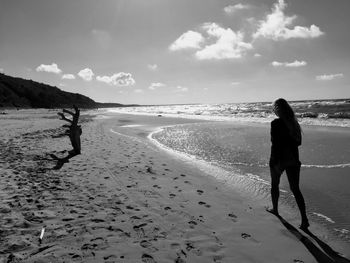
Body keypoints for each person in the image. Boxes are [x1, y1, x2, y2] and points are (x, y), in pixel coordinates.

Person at [268, 98, 309, 230]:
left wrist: (274, 160)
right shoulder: (294, 123)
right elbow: (298, 143)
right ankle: (304, 220)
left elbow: (275, 144)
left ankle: (275, 209)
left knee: (275, 185)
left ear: (277, 109)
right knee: (296, 190)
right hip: (293, 159)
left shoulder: (275, 123)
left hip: (279, 159)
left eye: (274, 108)